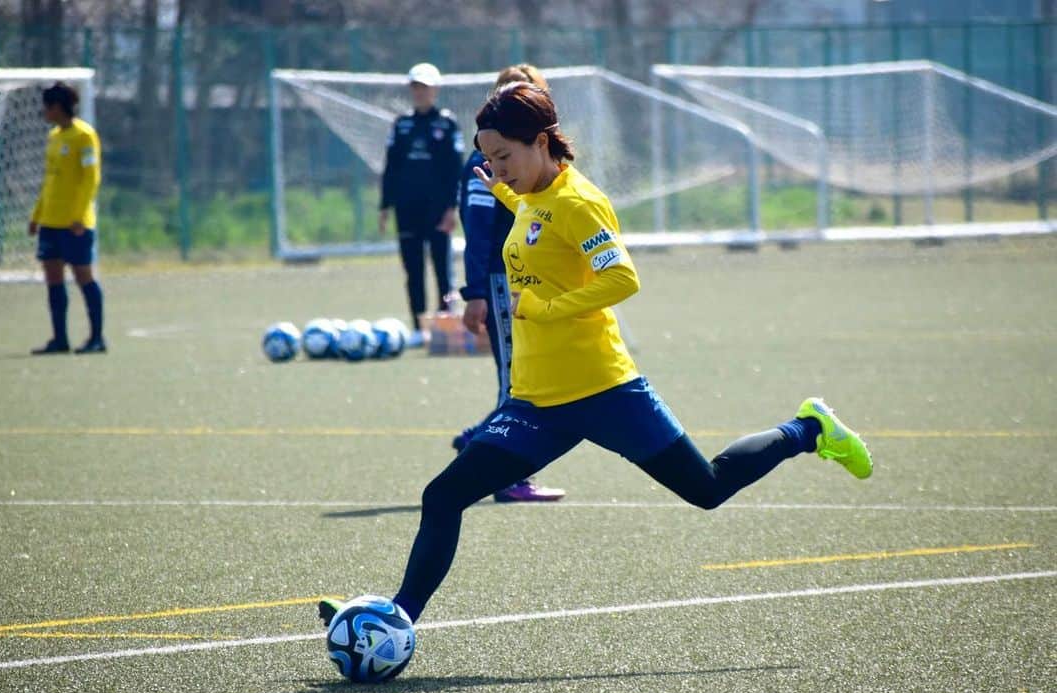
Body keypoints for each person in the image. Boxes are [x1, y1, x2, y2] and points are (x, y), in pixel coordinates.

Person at [321, 82, 872, 631]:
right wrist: (505, 193)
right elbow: (538, 217)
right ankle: (398, 619)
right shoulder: (531, 195)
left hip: (605, 391)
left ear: (541, 142)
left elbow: (621, 278)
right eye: (489, 158)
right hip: (537, 403)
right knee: (444, 495)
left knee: (707, 489)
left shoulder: (580, 203)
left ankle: (807, 429)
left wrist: (543, 306)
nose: (497, 169)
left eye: (504, 157)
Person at [454, 64, 565, 504]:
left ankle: (481, 438)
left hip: (533, 280)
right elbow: (478, 228)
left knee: (533, 376)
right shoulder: (485, 163)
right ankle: (504, 473)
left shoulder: (534, 161)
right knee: (517, 380)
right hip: (504, 281)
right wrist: (475, 292)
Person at [379, 62, 464, 347]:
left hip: (438, 209)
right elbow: (391, 167)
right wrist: (385, 205)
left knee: (442, 269)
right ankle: (418, 326)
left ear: (435, 89)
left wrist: (452, 207)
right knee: (413, 269)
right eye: (415, 87)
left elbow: (455, 169)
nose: (420, 92)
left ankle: (444, 325)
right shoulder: (401, 124)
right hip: (407, 209)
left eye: (425, 87)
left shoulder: (447, 124)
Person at [29, 81, 105, 355]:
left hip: (74, 223)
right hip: (50, 221)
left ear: (57, 107)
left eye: (46, 107)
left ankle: (97, 338)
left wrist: (78, 216)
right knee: (53, 276)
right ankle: (60, 339)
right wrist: (37, 215)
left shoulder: (84, 135)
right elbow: (50, 180)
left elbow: (91, 178)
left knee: (83, 275)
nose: (44, 112)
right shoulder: (54, 137)